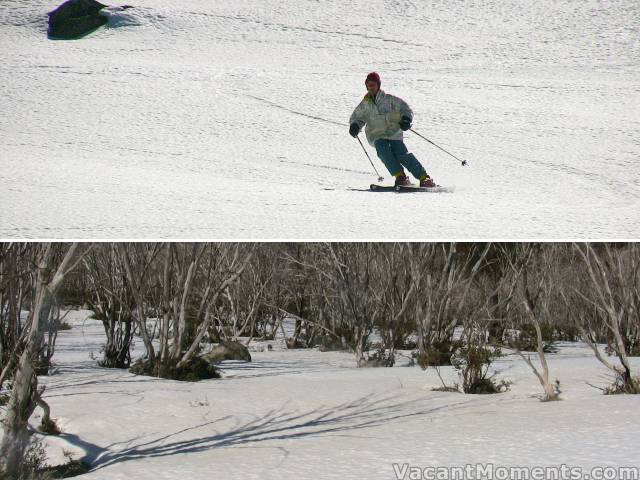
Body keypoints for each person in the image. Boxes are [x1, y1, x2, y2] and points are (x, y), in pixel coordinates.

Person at [349, 72, 436, 187]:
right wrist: (355, 125)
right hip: (376, 135)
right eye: (369, 85)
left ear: (378, 85)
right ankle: (400, 177)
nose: (371, 87)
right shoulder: (365, 104)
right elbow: (357, 117)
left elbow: (406, 108)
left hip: (394, 133)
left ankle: (424, 178)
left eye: (373, 85)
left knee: (402, 154)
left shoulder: (390, 99)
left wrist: (406, 119)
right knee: (383, 150)